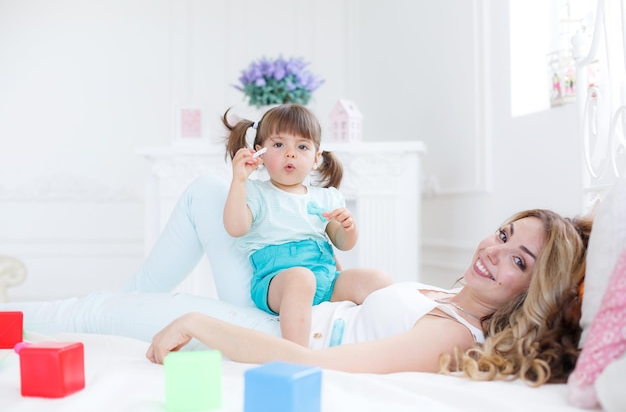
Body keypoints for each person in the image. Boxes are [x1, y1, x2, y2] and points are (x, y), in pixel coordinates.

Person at [1, 174, 591, 387]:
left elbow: (322, 368)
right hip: (285, 302)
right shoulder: (443, 295)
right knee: (209, 194)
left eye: (520, 262)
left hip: (282, 335)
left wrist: (202, 322)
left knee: (99, 311)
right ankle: (136, 303)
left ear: (534, 295)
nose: (495, 252)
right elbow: (351, 290)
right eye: (506, 234)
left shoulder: (456, 334)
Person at [221, 104, 392, 345]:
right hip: (279, 281)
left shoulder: (326, 197)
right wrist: (238, 180)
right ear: (259, 153)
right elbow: (235, 227)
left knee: (378, 279)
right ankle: (296, 352)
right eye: (279, 145)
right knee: (301, 278)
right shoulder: (255, 192)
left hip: (326, 278)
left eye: (302, 147)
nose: (290, 153)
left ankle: (385, 342)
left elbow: (343, 243)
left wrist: (348, 228)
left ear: (315, 158)